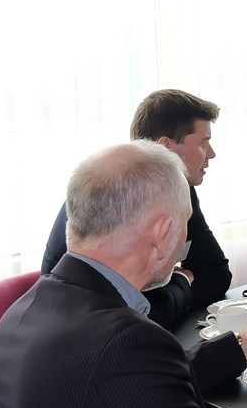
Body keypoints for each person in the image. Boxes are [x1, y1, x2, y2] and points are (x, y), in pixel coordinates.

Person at [0, 141, 247, 408]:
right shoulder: (125, 347)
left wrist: (242, 346)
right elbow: (129, 374)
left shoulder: (21, 313)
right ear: (162, 234)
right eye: (185, 222)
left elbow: (134, 386)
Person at [41, 89, 231, 329]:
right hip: (82, 331)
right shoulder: (113, 195)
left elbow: (217, 274)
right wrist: (183, 281)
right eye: (203, 143)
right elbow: (133, 309)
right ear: (165, 146)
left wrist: (167, 298)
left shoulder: (179, 192)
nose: (212, 154)